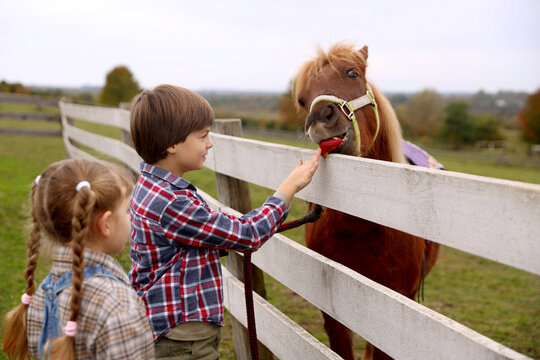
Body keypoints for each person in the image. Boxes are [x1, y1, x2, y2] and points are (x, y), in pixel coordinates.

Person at [129, 84, 321, 359]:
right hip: (183, 339)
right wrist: (287, 189)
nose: (210, 143)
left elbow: (189, 246)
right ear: (172, 144)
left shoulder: (151, 187)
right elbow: (247, 234)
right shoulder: (173, 203)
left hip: (168, 328)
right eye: (203, 135)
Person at [1, 158, 154, 360]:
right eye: (127, 210)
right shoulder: (118, 305)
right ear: (106, 223)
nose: (132, 216)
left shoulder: (42, 293)